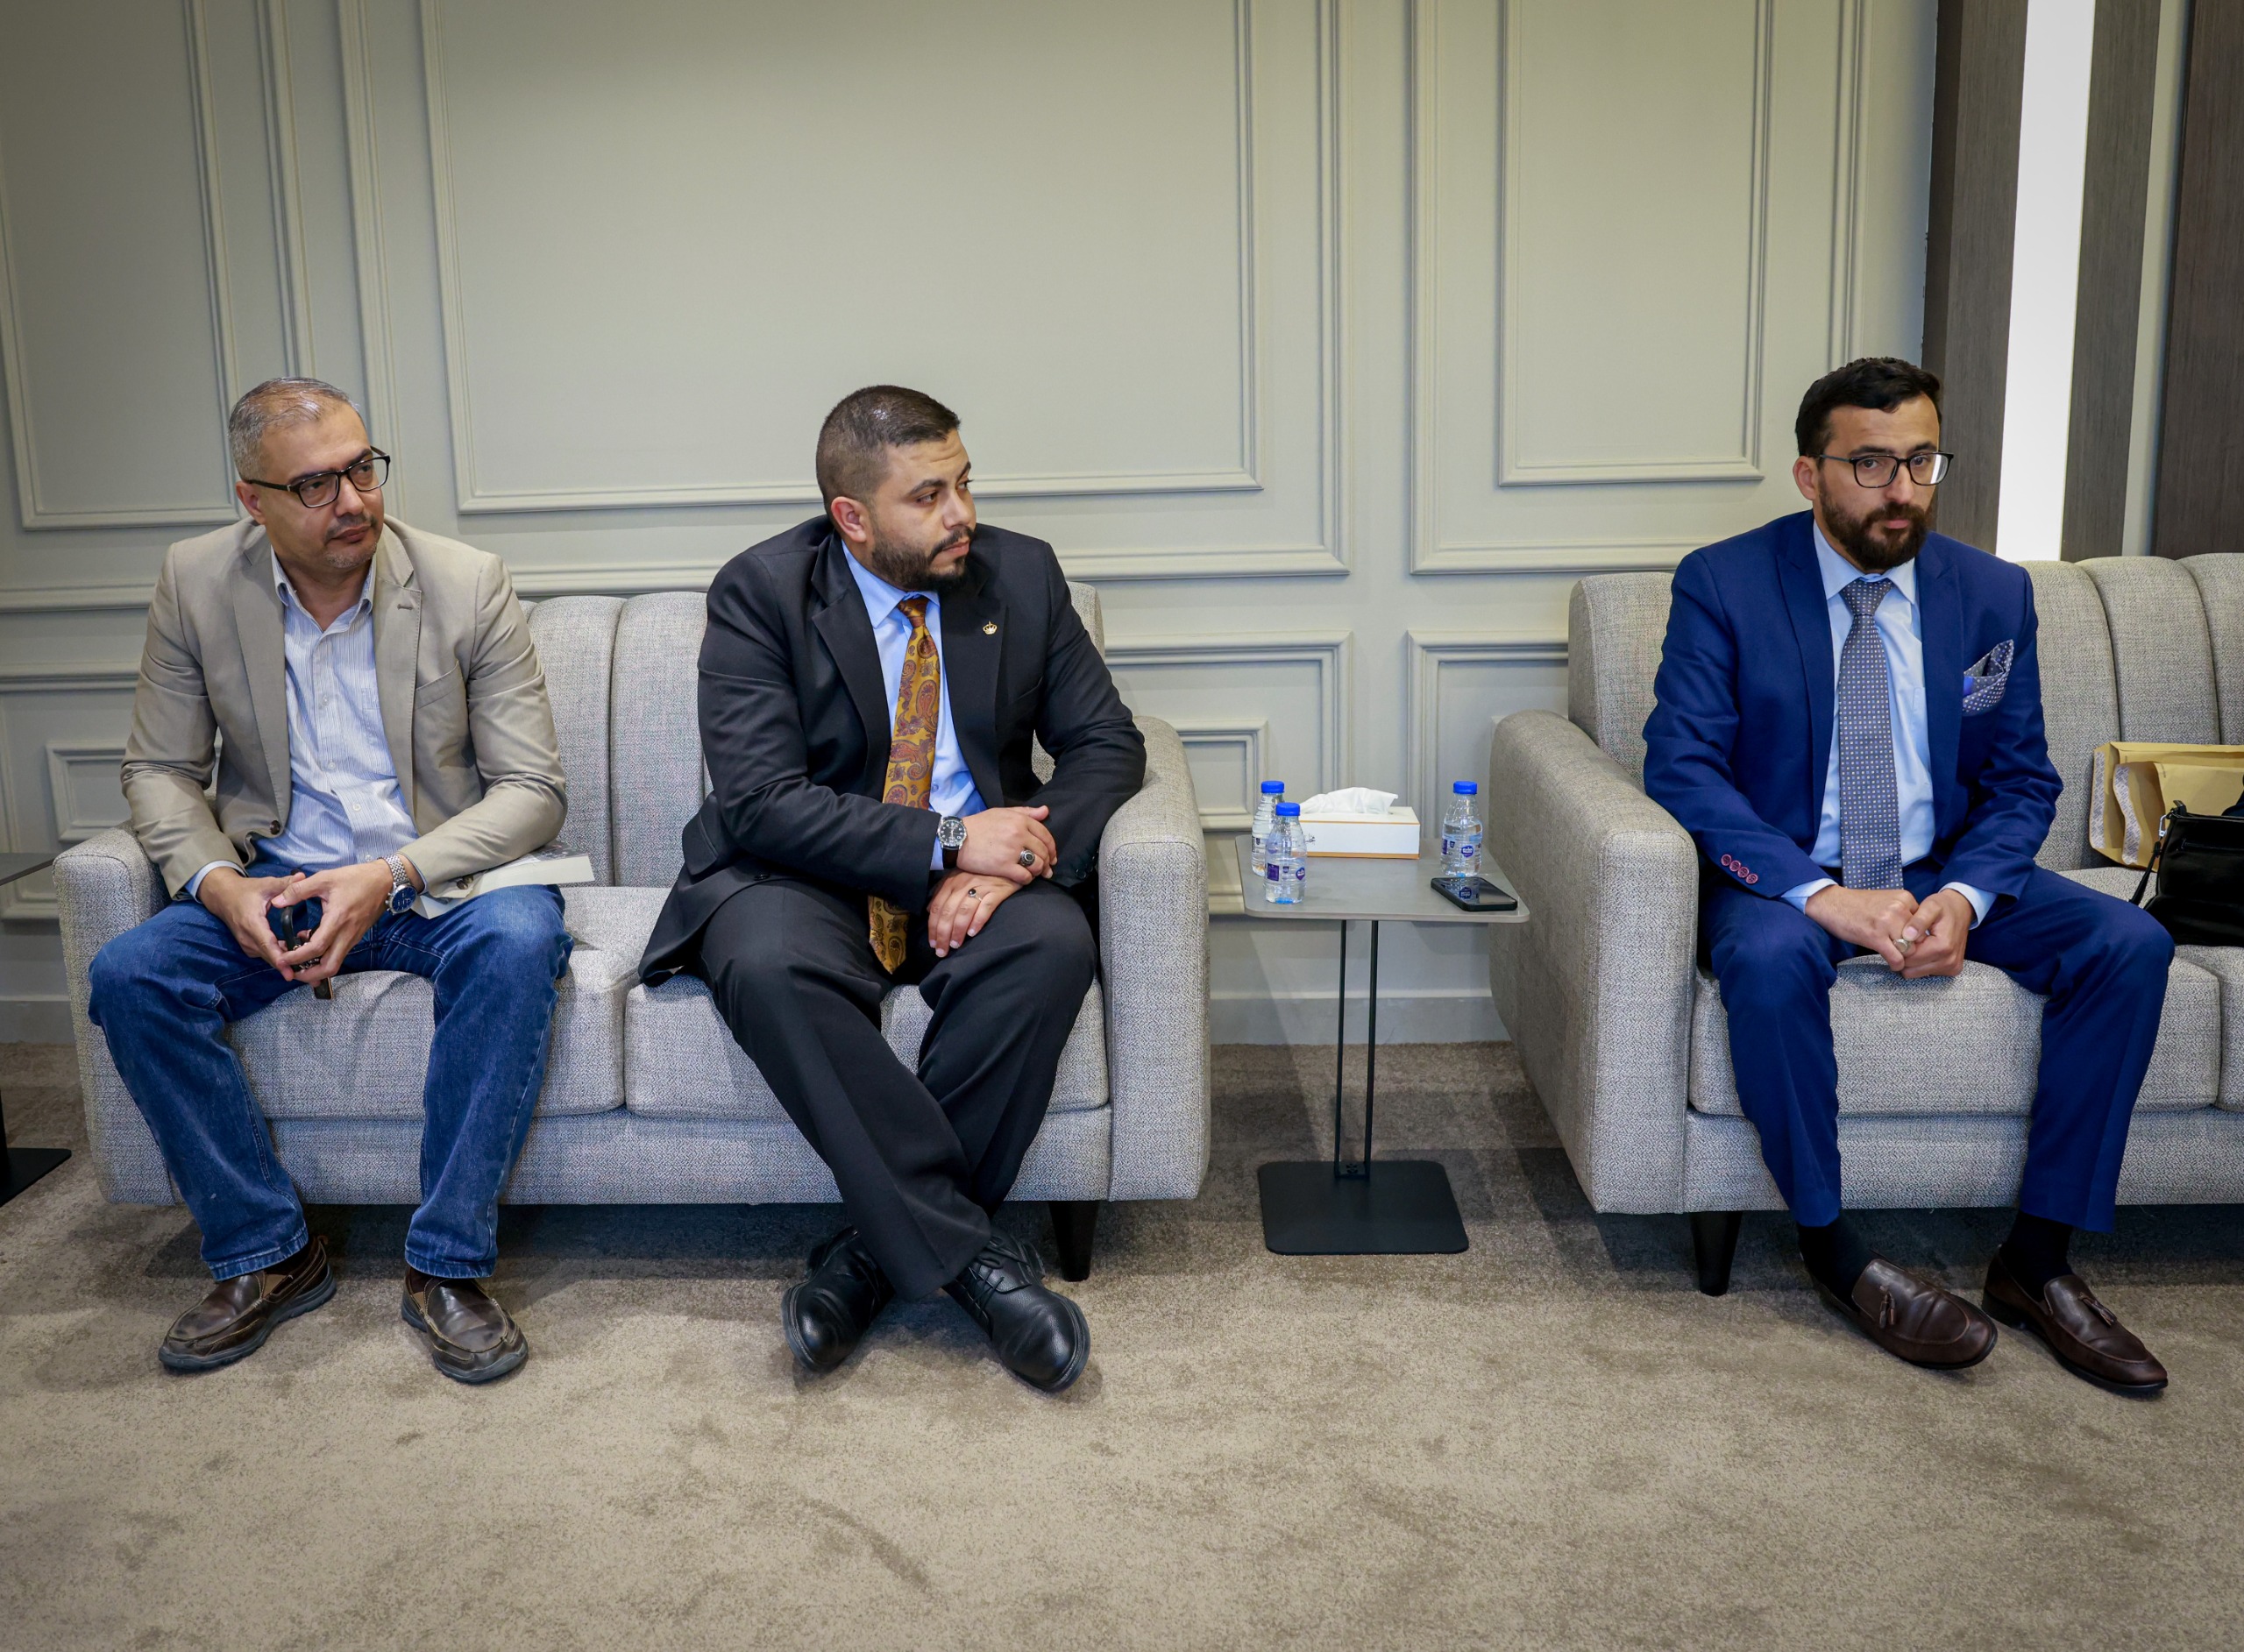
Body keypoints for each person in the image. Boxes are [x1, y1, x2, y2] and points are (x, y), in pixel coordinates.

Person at [1642, 357, 2173, 1393]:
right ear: (1810, 474)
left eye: (1921, 461)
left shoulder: (1991, 592)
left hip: (1939, 865)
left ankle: (2037, 1261)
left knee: (2128, 942)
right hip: (1789, 876)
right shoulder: (1723, 582)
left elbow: (2020, 778)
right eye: (1871, 463)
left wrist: (1964, 898)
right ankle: (1832, 1248)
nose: (1901, 489)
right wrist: (1821, 895)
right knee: (1768, 963)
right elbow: (1683, 767)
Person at [638, 386, 1145, 1393]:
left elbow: (1107, 745)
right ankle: (973, 1261)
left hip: (979, 877)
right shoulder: (760, 593)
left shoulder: (1021, 574)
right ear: (852, 517)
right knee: (764, 964)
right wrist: (951, 841)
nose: (962, 514)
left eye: (964, 484)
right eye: (928, 496)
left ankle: (868, 1259)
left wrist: (1015, 861)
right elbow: (761, 802)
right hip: (808, 873)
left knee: (1050, 948)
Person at [87, 378, 572, 1385]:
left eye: (362, 469)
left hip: (437, 876)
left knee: (521, 940)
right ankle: (267, 1250)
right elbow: (160, 768)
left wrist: (389, 875)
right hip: (279, 877)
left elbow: (532, 791)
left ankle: (446, 1266)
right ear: (251, 499)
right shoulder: (195, 581)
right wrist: (216, 883)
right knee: (131, 974)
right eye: (315, 484)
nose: (352, 500)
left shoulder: (465, 582)